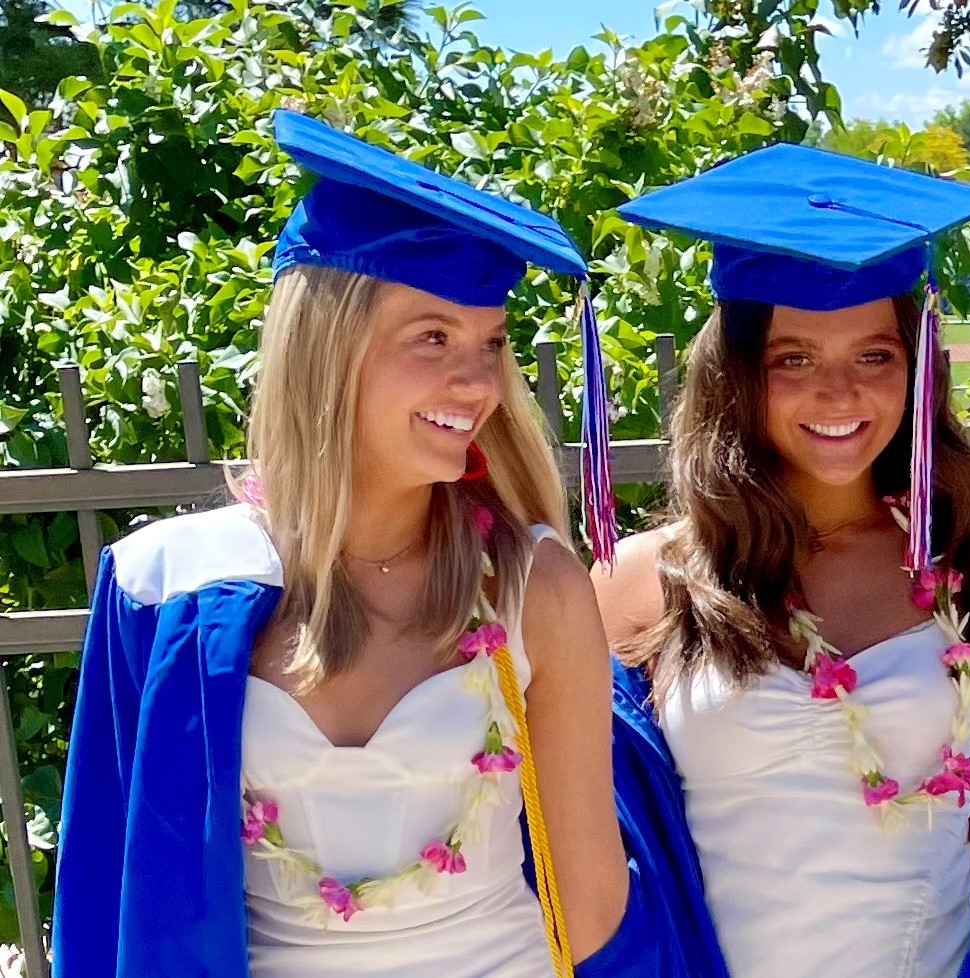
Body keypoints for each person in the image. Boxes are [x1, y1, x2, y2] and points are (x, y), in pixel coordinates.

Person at [52, 110, 642, 977]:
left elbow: (589, 904)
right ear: (327, 348)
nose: (478, 379)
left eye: (491, 342)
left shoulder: (528, 581)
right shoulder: (167, 588)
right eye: (432, 337)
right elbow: (114, 891)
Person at [597, 142, 970, 978]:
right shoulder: (644, 582)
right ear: (737, 375)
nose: (840, 394)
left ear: (918, 370)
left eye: (874, 356)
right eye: (794, 359)